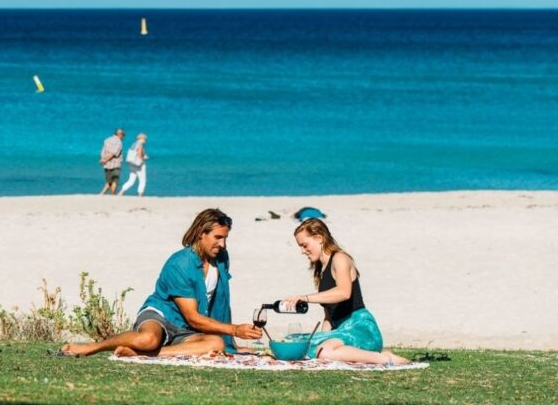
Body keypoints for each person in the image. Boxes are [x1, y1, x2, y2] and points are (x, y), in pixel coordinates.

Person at [61, 209, 262, 357]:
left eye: (225, 238)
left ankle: (146, 355)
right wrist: (235, 329)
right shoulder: (180, 264)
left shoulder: (221, 258)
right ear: (201, 233)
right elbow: (192, 317)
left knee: (216, 343)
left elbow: (221, 304)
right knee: (148, 340)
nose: (223, 244)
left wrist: (231, 344)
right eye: (218, 237)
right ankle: (92, 348)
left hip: (185, 330)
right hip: (161, 316)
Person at [279, 219, 409, 365]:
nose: (302, 251)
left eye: (304, 245)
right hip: (340, 331)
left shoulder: (340, 258)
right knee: (295, 342)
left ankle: (386, 358)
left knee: (323, 352)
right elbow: (329, 316)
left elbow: (343, 292)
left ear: (319, 238)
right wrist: (323, 337)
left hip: (360, 328)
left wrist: (305, 298)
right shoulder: (321, 271)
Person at [98, 128, 125, 195]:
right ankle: (113, 195)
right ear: (120, 134)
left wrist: (103, 159)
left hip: (106, 164)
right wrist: (105, 160)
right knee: (114, 181)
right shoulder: (119, 142)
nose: (124, 137)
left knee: (109, 181)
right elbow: (114, 153)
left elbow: (103, 151)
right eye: (123, 135)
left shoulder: (107, 140)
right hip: (115, 164)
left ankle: (102, 193)